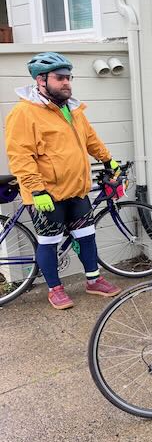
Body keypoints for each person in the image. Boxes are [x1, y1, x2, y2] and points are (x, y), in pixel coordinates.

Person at [4, 52, 122, 310]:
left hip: (77, 189)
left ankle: (93, 280)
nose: (67, 82)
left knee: (87, 235)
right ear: (40, 80)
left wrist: (108, 160)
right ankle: (55, 289)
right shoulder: (24, 113)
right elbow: (20, 156)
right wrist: (37, 190)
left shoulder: (73, 109)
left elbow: (91, 140)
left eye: (69, 77)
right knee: (49, 241)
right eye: (60, 78)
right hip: (46, 193)